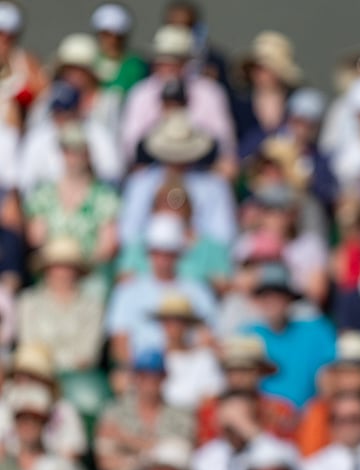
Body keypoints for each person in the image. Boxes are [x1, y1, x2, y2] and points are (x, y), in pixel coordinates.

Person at [120, 25, 237, 173]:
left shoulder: (210, 92)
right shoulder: (141, 93)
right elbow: (130, 145)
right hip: (153, 169)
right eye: (163, 61)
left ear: (187, 62)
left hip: (201, 169)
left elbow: (224, 142)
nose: (168, 68)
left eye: (174, 61)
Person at [105, 213, 219, 363]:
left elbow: (209, 336)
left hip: (189, 368)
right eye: (157, 252)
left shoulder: (198, 290)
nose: (163, 260)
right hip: (143, 374)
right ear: (149, 253)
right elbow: (119, 342)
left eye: (169, 253)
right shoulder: (127, 291)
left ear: (179, 254)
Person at [119, 110, 237, 250]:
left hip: (201, 262)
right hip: (149, 260)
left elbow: (224, 237)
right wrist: (161, 243)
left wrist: (192, 243)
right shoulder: (140, 183)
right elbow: (128, 234)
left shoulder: (214, 186)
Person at [22, 121, 120, 280]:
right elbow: (36, 237)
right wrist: (62, 261)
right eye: (67, 151)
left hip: (89, 274)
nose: (72, 157)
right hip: (52, 269)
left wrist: (77, 265)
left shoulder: (105, 196)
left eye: (77, 151)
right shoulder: (43, 194)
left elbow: (107, 246)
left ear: (87, 154)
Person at [245, 262, 337, 408]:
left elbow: (330, 378)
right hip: (265, 421)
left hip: (308, 420)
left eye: (278, 294)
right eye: (266, 295)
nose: (272, 300)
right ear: (258, 300)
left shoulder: (316, 331)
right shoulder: (247, 337)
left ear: (289, 298)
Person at [94, 351, 195, 470]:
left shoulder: (181, 415)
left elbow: (177, 455)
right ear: (135, 377)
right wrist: (152, 454)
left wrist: (125, 439)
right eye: (143, 375)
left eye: (155, 375)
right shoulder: (114, 411)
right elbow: (105, 462)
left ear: (165, 376)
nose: (149, 381)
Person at [294, 331, 360, 456]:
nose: (349, 379)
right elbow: (310, 458)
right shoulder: (319, 412)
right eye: (344, 372)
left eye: (356, 372)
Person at [15, 237, 105, 372]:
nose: (62, 273)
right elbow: (28, 347)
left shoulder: (92, 307)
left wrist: (51, 360)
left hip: (77, 376)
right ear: (46, 269)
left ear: (77, 271)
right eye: (56, 266)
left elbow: (88, 354)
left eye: (68, 267)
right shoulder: (28, 302)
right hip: (37, 375)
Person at [195, 336, 297, 444]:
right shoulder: (208, 409)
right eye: (231, 370)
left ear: (260, 372)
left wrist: (246, 427)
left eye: (245, 370)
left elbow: (288, 454)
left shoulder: (279, 411)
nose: (237, 378)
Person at [192, 391, 295, 470]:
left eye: (242, 415)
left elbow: (292, 465)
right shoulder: (207, 455)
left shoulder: (267, 446)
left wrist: (249, 430)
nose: (235, 423)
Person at [156, 293, 223, 410]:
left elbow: (211, 397)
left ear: (188, 324)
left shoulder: (204, 358)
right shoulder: (154, 359)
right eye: (168, 320)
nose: (173, 325)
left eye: (179, 320)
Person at [90, 2, 148, 96]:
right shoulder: (87, 62)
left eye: (118, 37)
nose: (113, 41)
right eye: (107, 35)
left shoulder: (135, 66)